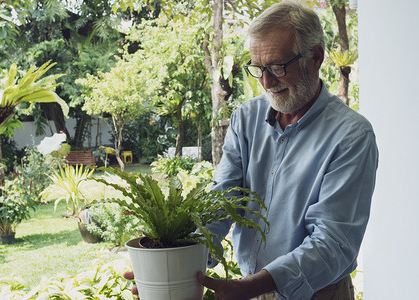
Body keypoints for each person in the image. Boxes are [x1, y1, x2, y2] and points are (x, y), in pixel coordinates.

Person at [125, 1, 378, 299]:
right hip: (247, 290)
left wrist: (252, 287)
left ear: (316, 57)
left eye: (277, 67)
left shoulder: (351, 135)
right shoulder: (246, 118)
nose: (267, 82)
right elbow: (223, 199)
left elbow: (332, 243)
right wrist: (170, 268)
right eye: (258, 68)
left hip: (315, 293)